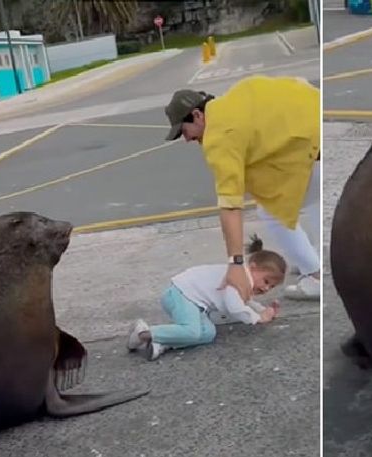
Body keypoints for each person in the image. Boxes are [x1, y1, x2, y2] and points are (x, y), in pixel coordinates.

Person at [163, 75, 320, 302]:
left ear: (197, 115)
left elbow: (230, 206)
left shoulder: (219, 138)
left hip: (309, 158)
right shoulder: (243, 91)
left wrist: (236, 263)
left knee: (272, 212)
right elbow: (299, 82)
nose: (187, 139)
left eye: (184, 131)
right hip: (318, 131)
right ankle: (311, 256)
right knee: (308, 199)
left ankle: (314, 275)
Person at [126, 235, 286, 361]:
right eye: (266, 281)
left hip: (192, 301)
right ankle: (142, 334)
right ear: (253, 267)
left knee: (208, 333)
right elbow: (236, 307)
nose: (266, 288)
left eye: (271, 287)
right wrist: (258, 318)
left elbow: (245, 301)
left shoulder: (242, 278)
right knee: (193, 332)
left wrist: (263, 310)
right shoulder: (239, 278)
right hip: (181, 294)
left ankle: (161, 342)